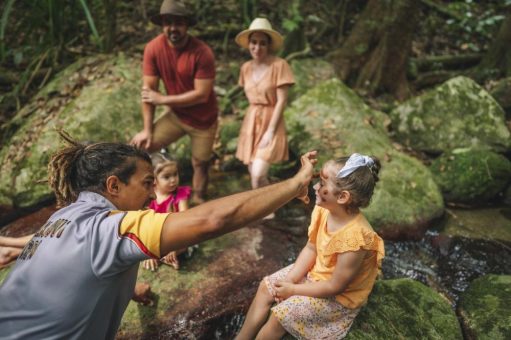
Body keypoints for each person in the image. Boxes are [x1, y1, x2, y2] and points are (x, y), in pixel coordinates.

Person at [0, 130, 316, 339]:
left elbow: (70, 263)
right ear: (114, 186)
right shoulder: (114, 227)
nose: (153, 196)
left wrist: (126, 287)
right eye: (147, 182)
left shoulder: (62, 216)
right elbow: (214, 220)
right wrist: (293, 185)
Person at [236, 153, 385, 340]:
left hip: (337, 297)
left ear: (342, 197)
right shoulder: (323, 210)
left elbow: (335, 286)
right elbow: (311, 248)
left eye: (322, 184)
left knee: (279, 316)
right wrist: (290, 280)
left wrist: (293, 290)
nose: (315, 186)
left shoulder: (355, 239)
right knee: (266, 288)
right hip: (315, 274)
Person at [131, 0, 218, 205]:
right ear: (162, 24)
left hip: (203, 120)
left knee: (200, 163)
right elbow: (148, 93)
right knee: (142, 148)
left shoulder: (202, 52)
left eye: (178, 23)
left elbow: (202, 94)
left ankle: (198, 198)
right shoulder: (153, 48)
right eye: (168, 22)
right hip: (177, 116)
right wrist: (147, 130)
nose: (173, 28)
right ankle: (145, 198)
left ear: (187, 25)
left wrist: (163, 100)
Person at [234, 18, 295, 206]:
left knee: (259, 172)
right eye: (254, 42)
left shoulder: (279, 65)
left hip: (271, 121)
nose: (257, 47)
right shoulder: (245, 68)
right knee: (255, 175)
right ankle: (266, 209)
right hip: (251, 120)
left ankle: (265, 206)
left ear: (269, 45)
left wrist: (270, 131)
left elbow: (282, 100)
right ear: (249, 44)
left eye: (262, 43)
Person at [142, 152, 193, 271]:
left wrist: (174, 247)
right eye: (167, 177)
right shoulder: (149, 196)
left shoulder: (180, 195)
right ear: (154, 179)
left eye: (175, 174)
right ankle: (158, 256)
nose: (173, 180)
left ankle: (167, 255)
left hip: (178, 233)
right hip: (156, 234)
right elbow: (146, 225)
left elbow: (184, 222)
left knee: (187, 242)